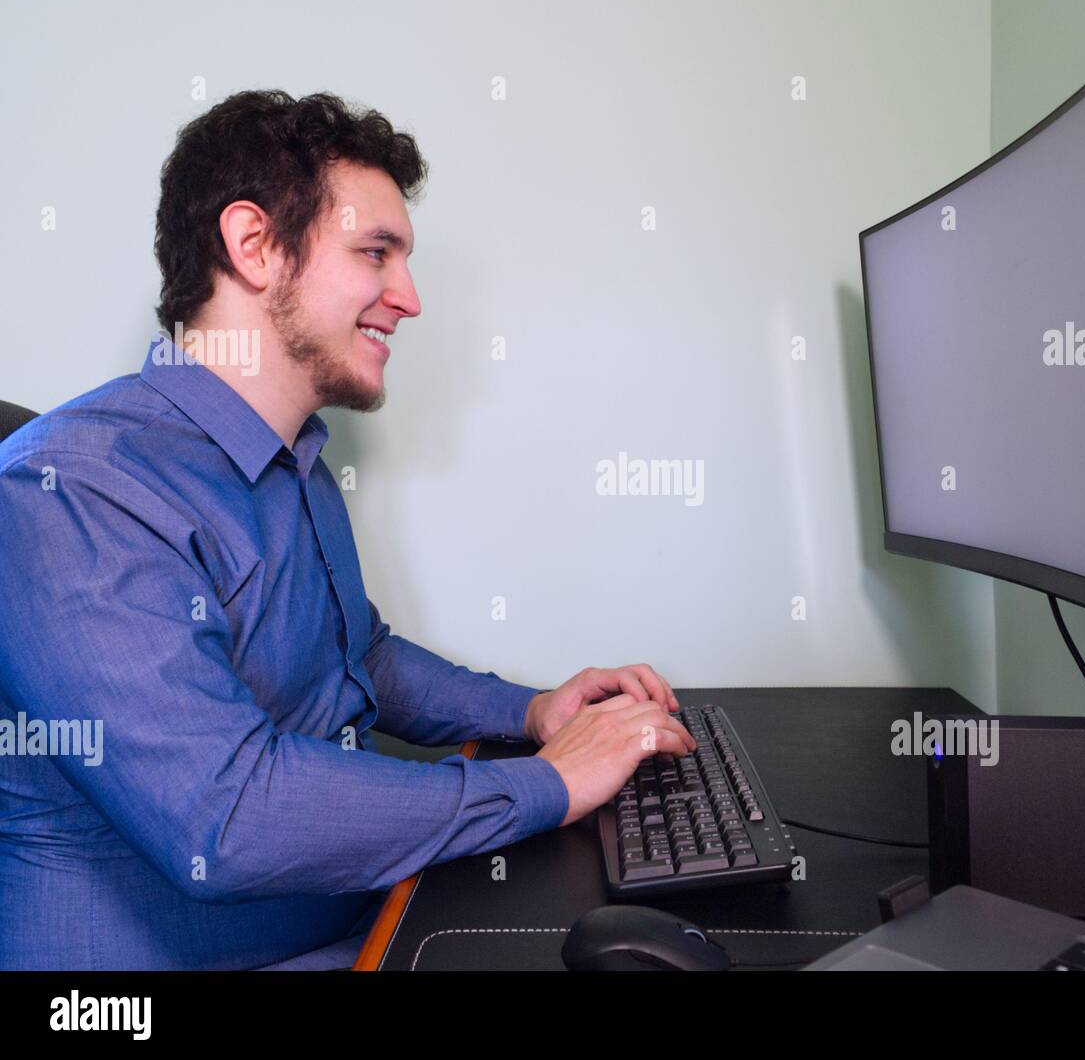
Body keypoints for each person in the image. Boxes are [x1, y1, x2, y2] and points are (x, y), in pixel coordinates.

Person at [0, 91, 694, 970]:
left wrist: (530, 709)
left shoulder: (298, 462)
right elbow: (231, 817)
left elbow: (358, 657)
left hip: (364, 924)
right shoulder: (66, 494)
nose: (407, 298)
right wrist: (548, 784)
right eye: (376, 253)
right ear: (253, 245)